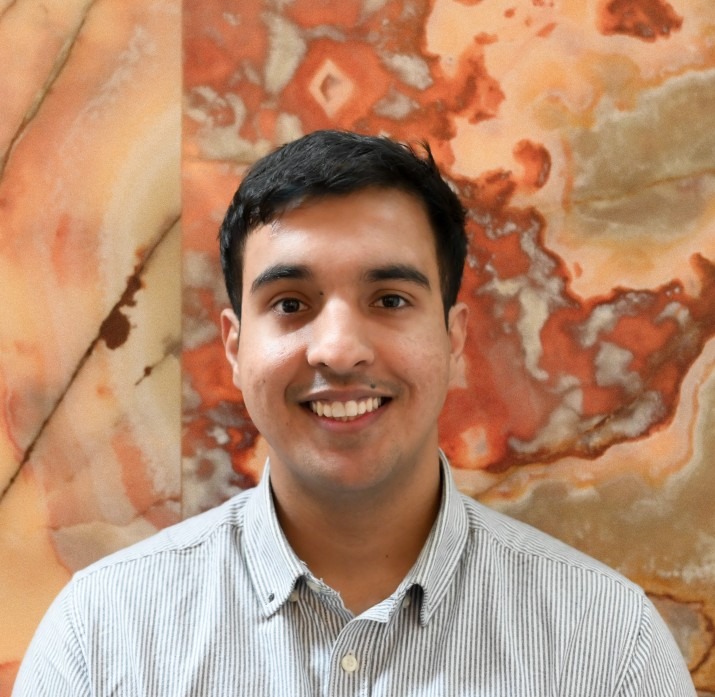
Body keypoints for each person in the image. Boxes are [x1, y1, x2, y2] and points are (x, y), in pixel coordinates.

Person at [13, 130, 695, 696]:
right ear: (234, 347)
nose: (338, 349)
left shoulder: (606, 645)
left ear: (454, 340)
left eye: (390, 300)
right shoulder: (103, 637)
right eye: (290, 304)